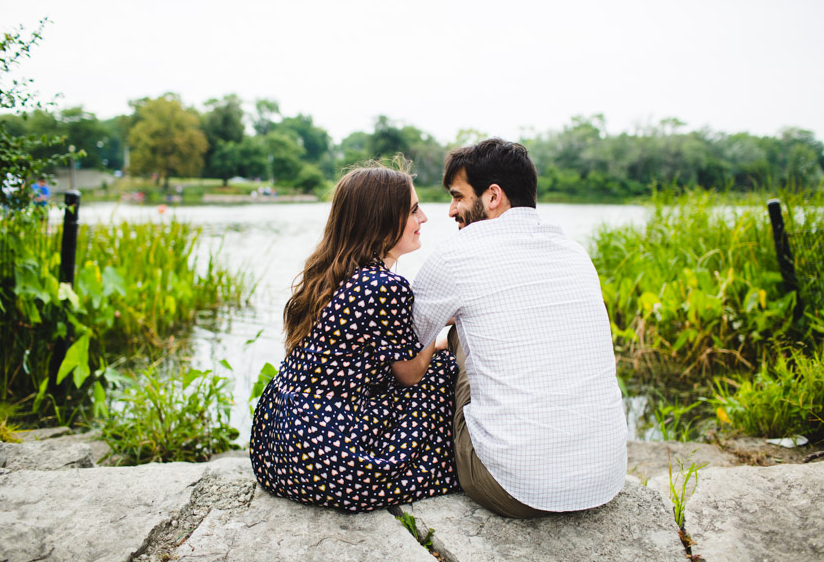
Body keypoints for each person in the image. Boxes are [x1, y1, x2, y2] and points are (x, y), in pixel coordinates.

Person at [412, 138, 627, 517]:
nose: (450, 210)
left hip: (512, 488)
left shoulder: (457, 254)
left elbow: (411, 342)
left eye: (458, 197)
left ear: (493, 196)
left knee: (460, 332)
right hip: (604, 478)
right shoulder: (575, 252)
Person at [250, 160, 460, 513]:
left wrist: (431, 340)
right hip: (330, 457)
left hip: (278, 446)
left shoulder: (327, 273)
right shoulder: (386, 286)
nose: (424, 218)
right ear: (380, 219)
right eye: (413, 209)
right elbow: (409, 374)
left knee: (432, 360)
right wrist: (439, 326)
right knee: (441, 374)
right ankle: (463, 464)